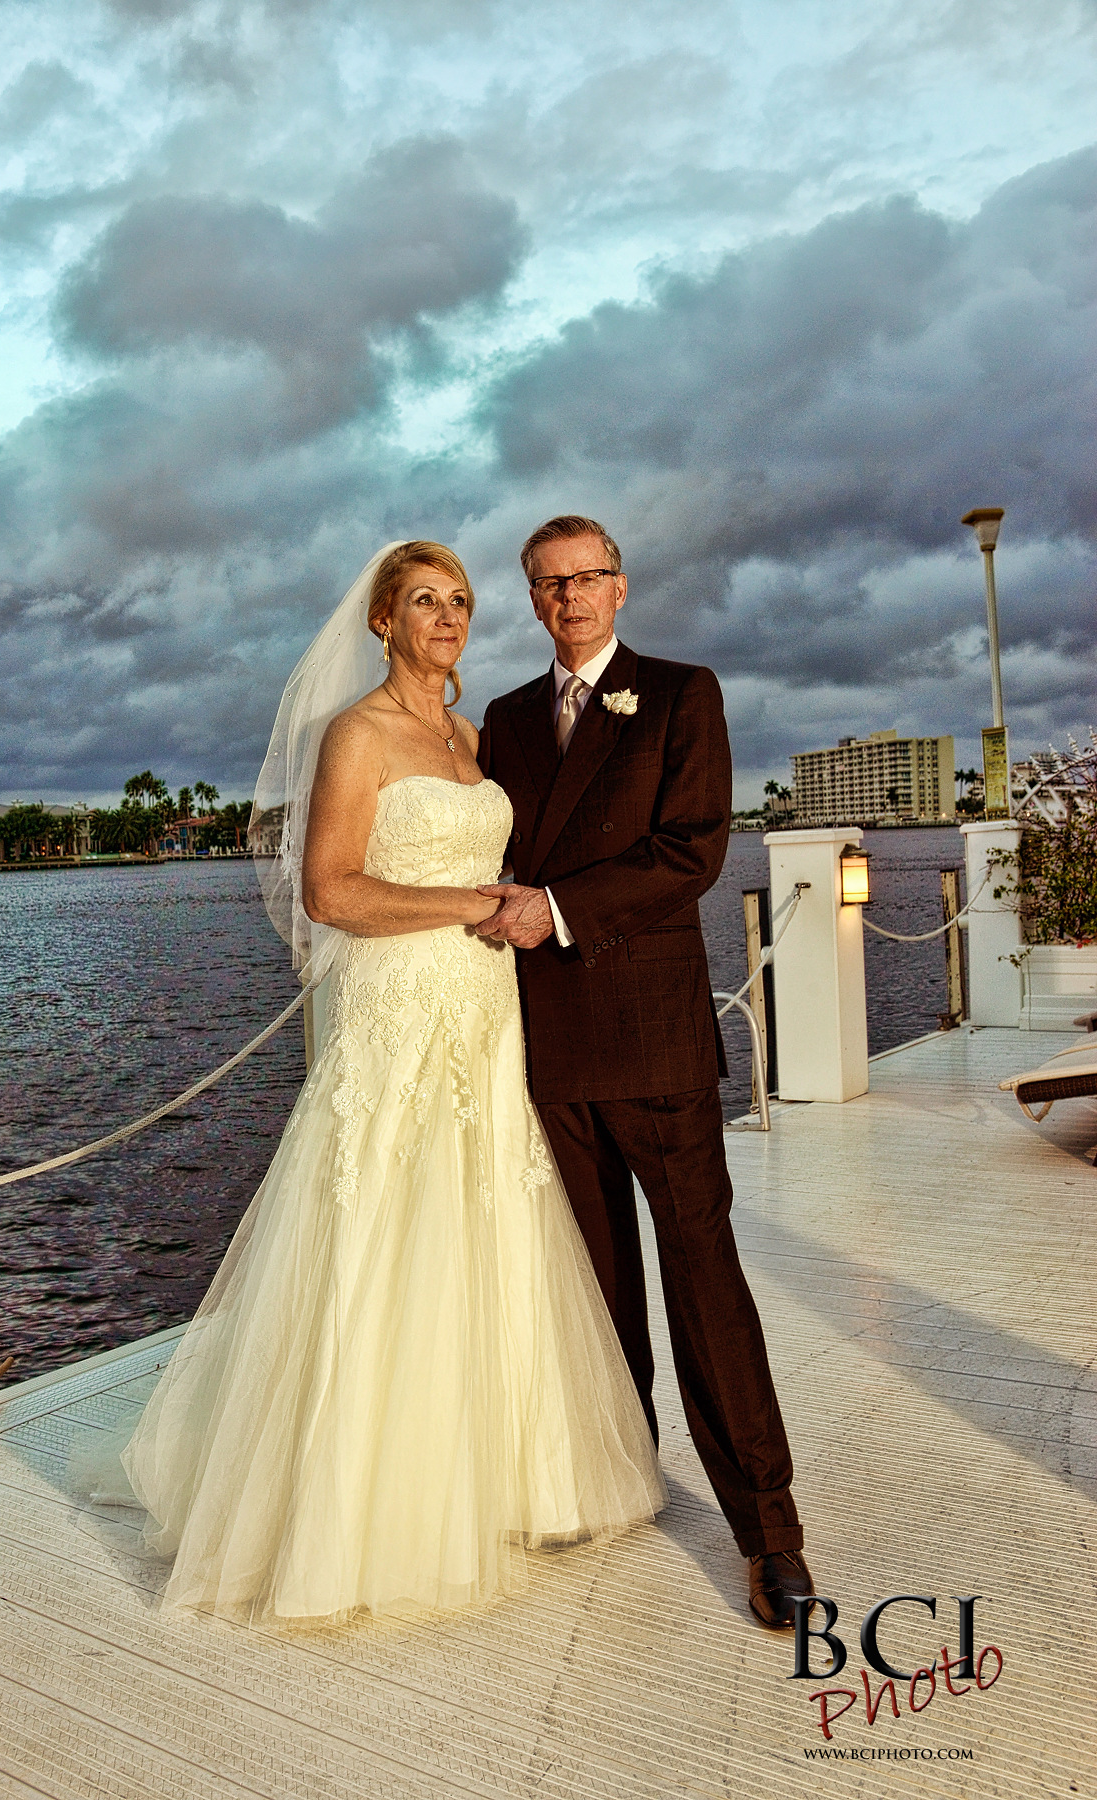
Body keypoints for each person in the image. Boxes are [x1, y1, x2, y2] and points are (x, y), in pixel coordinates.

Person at [111, 540, 666, 1630]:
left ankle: (513, 1479)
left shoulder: (475, 738)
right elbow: (330, 892)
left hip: (485, 1011)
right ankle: (360, 1506)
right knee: (385, 1222)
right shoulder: (355, 735)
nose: (447, 618)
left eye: (459, 601)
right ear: (383, 621)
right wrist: (472, 904)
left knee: (484, 1221)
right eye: (424, 602)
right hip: (398, 1008)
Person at [474, 514, 814, 1629]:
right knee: (598, 1289)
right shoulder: (506, 720)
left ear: (620, 587)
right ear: (533, 600)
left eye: (588, 577)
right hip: (549, 1043)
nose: (569, 597)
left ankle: (769, 1532)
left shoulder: (680, 695)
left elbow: (692, 852)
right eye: (548, 583)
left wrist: (556, 909)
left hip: (652, 1037)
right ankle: (621, 1479)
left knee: (702, 1283)